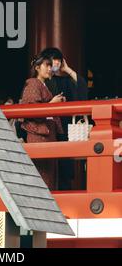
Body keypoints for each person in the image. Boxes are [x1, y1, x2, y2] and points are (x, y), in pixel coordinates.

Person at [40, 47, 88, 190]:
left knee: (64, 170)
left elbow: (83, 90)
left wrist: (68, 70)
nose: (56, 64)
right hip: (47, 129)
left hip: (64, 129)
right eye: (53, 60)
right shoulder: (40, 81)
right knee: (46, 171)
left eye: (59, 61)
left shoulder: (66, 81)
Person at [19, 55, 64, 189]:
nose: (50, 69)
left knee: (49, 175)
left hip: (47, 135)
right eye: (47, 66)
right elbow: (32, 110)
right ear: (37, 68)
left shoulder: (43, 85)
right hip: (39, 135)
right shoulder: (33, 83)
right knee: (43, 175)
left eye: (51, 66)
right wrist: (52, 103)